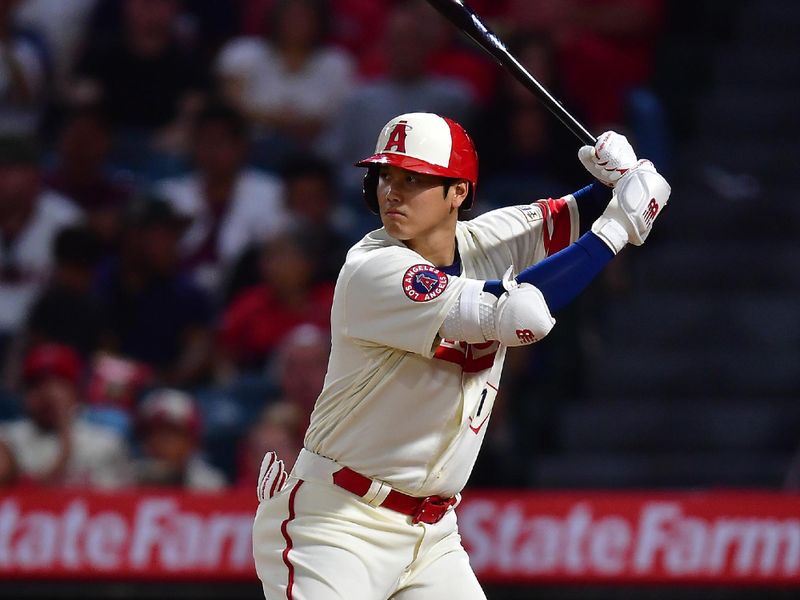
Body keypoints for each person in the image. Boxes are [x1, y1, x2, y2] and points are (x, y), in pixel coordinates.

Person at [251, 112, 670, 598]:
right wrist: (616, 230)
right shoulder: (374, 269)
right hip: (337, 523)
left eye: (414, 179)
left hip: (432, 534)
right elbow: (524, 315)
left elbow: (575, 216)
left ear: (458, 193)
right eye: (386, 176)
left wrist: (618, 181)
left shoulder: (485, 241)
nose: (393, 191)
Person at [0, 343, 132, 488]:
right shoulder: (6, 438)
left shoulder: (105, 443)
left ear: (77, 391)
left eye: (59, 385)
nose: (47, 395)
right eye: (36, 385)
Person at [132, 387, 227, 490]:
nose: (160, 442)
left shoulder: (211, 485)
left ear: (191, 440)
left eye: (172, 433)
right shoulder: (127, 480)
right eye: (153, 432)